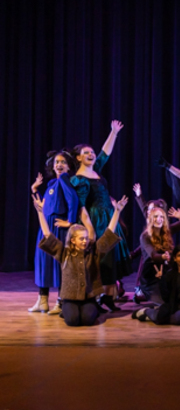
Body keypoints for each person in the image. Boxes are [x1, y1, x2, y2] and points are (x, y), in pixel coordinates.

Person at [34, 194, 127, 327]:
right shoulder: (64, 253)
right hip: (70, 299)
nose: (85, 241)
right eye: (81, 239)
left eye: (86, 238)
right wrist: (40, 213)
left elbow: (109, 234)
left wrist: (117, 212)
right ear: (73, 240)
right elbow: (48, 235)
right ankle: (65, 310)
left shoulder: (93, 252)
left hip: (88, 298)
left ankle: (91, 308)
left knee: (88, 320)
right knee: (73, 321)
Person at [71, 120, 131, 312]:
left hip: (109, 217)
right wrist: (89, 229)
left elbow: (105, 154)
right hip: (95, 220)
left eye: (92, 152)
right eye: (86, 153)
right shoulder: (78, 179)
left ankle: (108, 296)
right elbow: (81, 207)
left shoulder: (96, 171)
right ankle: (95, 296)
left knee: (111, 257)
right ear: (78, 158)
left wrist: (113, 132)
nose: (91, 154)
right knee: (101, 258)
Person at [30, 150, 79, 315]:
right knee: (44, 262)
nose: (59, 165)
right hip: (46, 227)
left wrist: (70, 221)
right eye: (57, 162)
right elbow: (43, 206)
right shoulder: (52, 184)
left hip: (58, 227)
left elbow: (73, 199)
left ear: (69, 166)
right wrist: (35, 189)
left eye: (63, 162)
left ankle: (60, 301)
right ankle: (42, 301)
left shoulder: (65, 179)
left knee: (58, 266)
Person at [131, 244, 180, 325]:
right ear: (175, 258)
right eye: (179, 255)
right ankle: (147, 311)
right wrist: (161, 280)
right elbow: (166, 298)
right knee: (161, 316)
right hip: (172, 306)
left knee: (179, 318)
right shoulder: (170, 274)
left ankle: (149, 317)